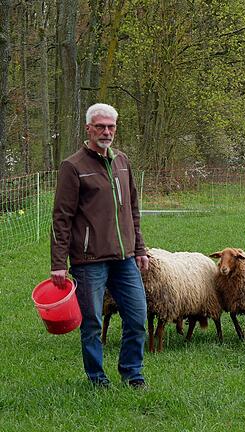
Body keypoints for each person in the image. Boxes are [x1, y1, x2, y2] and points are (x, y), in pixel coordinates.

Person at [50, 103, 149, 389]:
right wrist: (58, 264)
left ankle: (133, 373)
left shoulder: (122, 162)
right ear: (88, 129)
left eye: (111, 127)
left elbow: (132, 208)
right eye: (100, 126)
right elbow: (61, 218)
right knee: (92, 323)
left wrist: (139, 248)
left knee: (137, 317)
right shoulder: (73, 166)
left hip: (124, 258)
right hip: (89, 260)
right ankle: (97, 378)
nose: (106, 131)